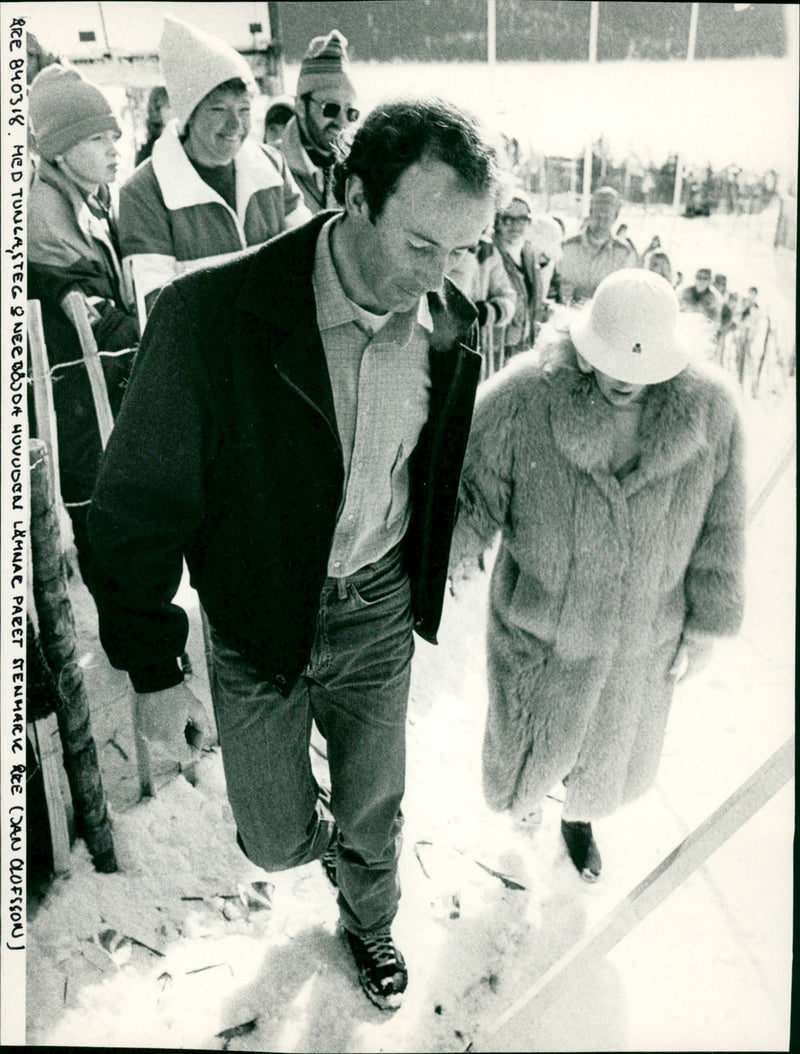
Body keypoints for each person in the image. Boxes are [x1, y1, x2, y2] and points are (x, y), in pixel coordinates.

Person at [87, 97, 500, 1011]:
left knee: (373, 807)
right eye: (421, 246)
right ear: (353, 195)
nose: (440, 275)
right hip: (258, 618)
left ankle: (370, 917)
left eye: (463, 249)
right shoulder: (211, 315)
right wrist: (155, 672)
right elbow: (134, 511)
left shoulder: (447, 325)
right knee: (273, 839)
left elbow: (432, 475)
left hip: (377, 612)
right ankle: (319, 841)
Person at [449, 268, 745, 881]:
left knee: (605, 748)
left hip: (642, 631)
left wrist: (708, 623)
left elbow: (723, 523)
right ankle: (527, 801)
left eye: (640, 370)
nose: (621, 380)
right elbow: (472, 493)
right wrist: (438, 563)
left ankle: (578, 821)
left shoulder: (710, 410)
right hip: (543, 622)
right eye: (609, 361)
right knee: (528, 747)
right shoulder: (527, 395)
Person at [27, 64, 139, 599]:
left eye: (114, 135)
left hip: (96, 394)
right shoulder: (44, 214)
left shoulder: (88, 198)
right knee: (104, 515)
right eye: (96, 138)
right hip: (76, 401)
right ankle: (136, 648)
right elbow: (89, 307)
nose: (113, 148)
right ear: (60, 149)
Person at [118, 15, 311, 320]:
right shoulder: (144, 191)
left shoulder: (271, 166)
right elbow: (158, 307)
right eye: (219, 109)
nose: (235, 125)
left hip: (277, 347)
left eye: (245, 110)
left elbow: (309, 254)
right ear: (189, 115)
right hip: (203, 362)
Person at [274, 29, 360, 213]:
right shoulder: (272, 170)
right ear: (300, 107)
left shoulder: (359, 169)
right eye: (330, 108)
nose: (341, 121)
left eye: (351, 112)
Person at [447, 231, 517, 376]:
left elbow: (507, 296)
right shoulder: (440, 240)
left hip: (474, 346)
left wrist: (488, 312)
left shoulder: (486, 250)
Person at [559, 186, 639, 304]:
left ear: (615, 218)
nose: (601, 223)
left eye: (606, 218)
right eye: (597, 217)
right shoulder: (568, 247)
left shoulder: (624, 252)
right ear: (590, 213)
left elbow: (626, 295)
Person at [492, 190, 542, 357]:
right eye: (508, 219)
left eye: (522, 219)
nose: (516, 226)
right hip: (495, 349)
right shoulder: (489, 255)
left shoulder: (529, 253)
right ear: (497, 221)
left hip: (523, 344)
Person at [135, 85, 171, 166]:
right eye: (169, 106)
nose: (176, 110)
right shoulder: (148, 150)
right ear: (156, 109)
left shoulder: (185, 141)